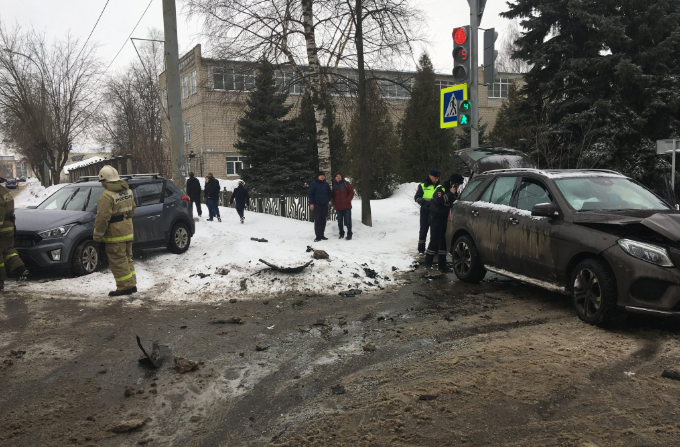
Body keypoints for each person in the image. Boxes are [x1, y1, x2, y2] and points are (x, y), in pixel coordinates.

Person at [92, 166, 137, 296]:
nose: (102, 184)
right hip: (128, 230)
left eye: (102, 181)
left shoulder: (107, 195)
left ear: (105, 180)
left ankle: (124, 287)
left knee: (118, 261)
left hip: (115, 234)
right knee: (128, 258)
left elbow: (102, 218)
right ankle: (132, 284)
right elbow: (132, 209)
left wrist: (97, 237)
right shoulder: (127, 191)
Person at [424, 173, 464, 271]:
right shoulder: (440, 188)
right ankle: (428, 263)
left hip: (443, 217)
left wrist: (455, 195)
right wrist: (450, 193)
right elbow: (439, 201)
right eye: (458, 184)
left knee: (443, 241)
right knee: (434, 241)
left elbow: (453, 202)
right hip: (435, 217)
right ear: (453, 183)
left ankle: (442, 265)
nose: (458, 186)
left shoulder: (452, 189)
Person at [0, 177, 29, 291]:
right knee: (8, 250)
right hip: (9, 226)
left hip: (2, 227)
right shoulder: (4, 190)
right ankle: (20, 269)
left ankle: (0, 280)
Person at [414, 169, 442, 254]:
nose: (436, 179)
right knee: (423, 230)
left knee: (435, 230)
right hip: (425, 211)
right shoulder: (422, 185)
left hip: (436, 211)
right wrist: (424, 203)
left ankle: (434, 249)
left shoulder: (440, 186)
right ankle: (421, 249)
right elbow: (417, 197)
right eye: (434, 178)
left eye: (437, 178)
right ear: (430, 176)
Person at [307, 171, 332, 242]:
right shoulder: (314, 184)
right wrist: (311, 203)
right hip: (317, 206)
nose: (322, 176)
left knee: (323, 221)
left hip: (325, 205)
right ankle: (318, 236)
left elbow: (330, 193)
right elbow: (310, 194)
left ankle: (322, 235)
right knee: (318, 221)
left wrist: (327, 199)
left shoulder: (326, 184)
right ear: (318, 176)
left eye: (323, 175)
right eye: (321, 175)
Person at [332, 172, 354, 240]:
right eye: (336, 176)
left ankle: (349, 234)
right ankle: (341, 233)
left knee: (348, 221)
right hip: (338, 207)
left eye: (339, 176)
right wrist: (334, 203)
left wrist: (348, 200)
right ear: (335, 178)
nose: (338, 177)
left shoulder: (346, 184)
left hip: (346, 206)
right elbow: (333, 196)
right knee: (340, 221)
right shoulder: (334, 186)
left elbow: (351, 192)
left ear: (341, 177)